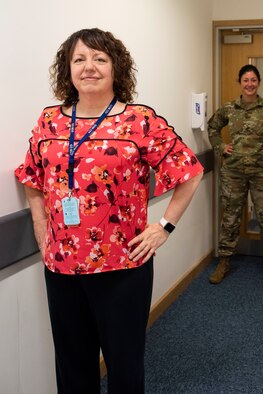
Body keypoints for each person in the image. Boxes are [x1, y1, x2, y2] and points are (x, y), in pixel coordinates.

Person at [14, 28, 203, 393]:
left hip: (123, 266)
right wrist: (41, 227)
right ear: (67, 69)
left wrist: (164, 227)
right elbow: (32, 176)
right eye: (79, 59)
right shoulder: (50, 122)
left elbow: (189, 170)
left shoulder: (139, 121)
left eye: (100, 59)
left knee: (124, 365)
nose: (89, 67)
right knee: (72, 364)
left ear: (117, 68)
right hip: (62, 265)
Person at [207, 64, 263, 286]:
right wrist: (220, 146)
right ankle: (224, 260)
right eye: (245, 80)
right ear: (240, 82)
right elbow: (212, 128)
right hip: (233, 172)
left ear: (259, 82)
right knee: (230, 218)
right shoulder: (228, 108)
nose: (249, 84)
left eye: (253, 80)